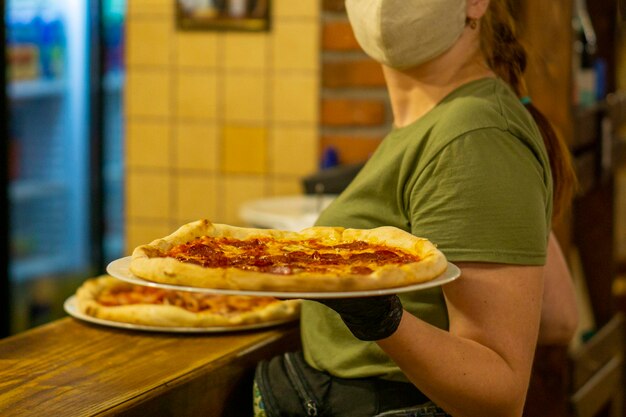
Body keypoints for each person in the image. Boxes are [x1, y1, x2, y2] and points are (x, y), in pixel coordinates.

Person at [253, 0, 578, 416]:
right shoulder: (449, 124)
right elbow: (556, 315)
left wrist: (381, 318)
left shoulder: (473, 136)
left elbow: (499, 396)